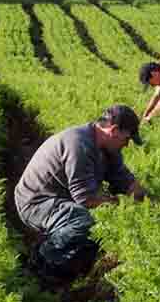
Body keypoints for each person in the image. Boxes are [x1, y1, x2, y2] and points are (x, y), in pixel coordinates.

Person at [14, 104, 146, 280]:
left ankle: (73, 267)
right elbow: (86, 199)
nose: (127, 144)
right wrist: (119, 204)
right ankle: (41, 260)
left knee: (90, 225)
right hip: (35, 202)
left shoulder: (110, 149)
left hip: (60, 200)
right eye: (127, 139)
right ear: (113, 130)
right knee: (84, 220)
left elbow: (125, 180)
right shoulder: (79, 144)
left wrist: (147, 202)